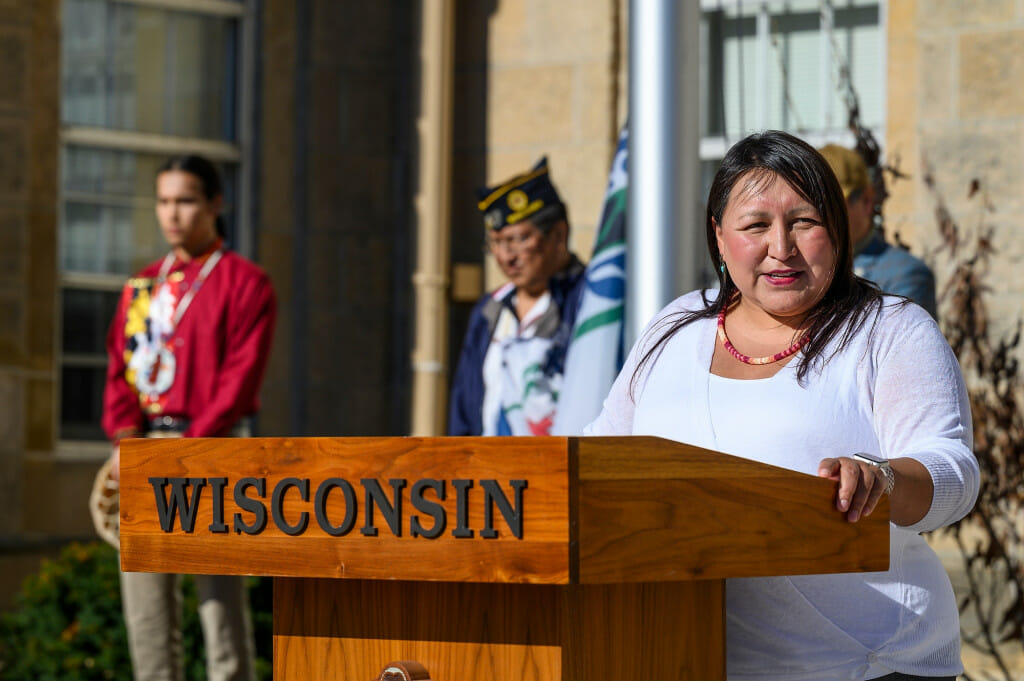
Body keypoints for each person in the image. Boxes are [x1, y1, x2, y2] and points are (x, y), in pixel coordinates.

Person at [585, 131, 978, 681]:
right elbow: (598, 455)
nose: (781, 248)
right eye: (755, 225)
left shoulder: (889, 329)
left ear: (837, 231)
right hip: (689, 652)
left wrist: (881, 478)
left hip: (866, 660)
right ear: (719, 237)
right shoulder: (674, 328)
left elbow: (953, 474)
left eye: (804, 222)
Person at [101, 154, 276, 681]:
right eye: (163, 201)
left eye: (185, 200)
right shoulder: (142, 286)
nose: (172, 213)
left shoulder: (246, 283)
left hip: (213, 452)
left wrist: (191, 448)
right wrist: (126, 441)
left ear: (215, 204)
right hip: (145, 450)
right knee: (147, 614)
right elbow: (120, 369)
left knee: (220, 613)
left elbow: (239, 379)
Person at [448, 157, 586, 436]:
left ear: (559, 235)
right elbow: (465, 403)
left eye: (519, 239)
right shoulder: (490, 309)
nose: (506, 256)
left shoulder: (588, 302)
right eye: (496, 243)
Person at [819, 143, 938, 319]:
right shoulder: (802, 269)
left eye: (832, 206)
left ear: (867, 200)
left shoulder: (904, 274)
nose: (820, 216)